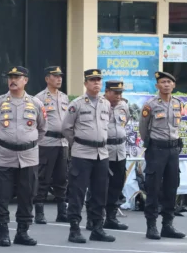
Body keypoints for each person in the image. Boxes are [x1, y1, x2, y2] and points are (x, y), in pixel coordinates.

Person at [0, 66, 47, 247]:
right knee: (1, 195)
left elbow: (42, 129)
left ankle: (22, 232)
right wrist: (4, 142)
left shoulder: (36, 104)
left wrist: (27, 142)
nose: (13, 80)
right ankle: (3, 232)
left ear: (25, 80)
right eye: (10, 77)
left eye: (17, 77)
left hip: (28, 157)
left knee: (27, 195)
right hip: (4, 156)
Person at [61, 69, 115, 244]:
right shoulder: (76, 104)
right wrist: (77, 144)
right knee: (77, 193)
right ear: (85, 83)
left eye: (99, 80)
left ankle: (97, 227)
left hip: (102, 154)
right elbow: (66, 128)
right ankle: (74, 229)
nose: (96, 83)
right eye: (92, 80)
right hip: (82, 153)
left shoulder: (106, 103)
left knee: (100, 193)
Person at [139, 71, 185, 240]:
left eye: (169, 82)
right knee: (153, 187)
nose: (166, 84)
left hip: (173, 150)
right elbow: (143, 129)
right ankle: (151, 226)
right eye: (163, 82)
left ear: (174, 85)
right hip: (156, 150)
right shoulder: (150, 105)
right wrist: (151, 145)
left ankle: (168, 225)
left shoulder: (178, 103)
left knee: (171, 187)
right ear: (157, 86)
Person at [86, 80, 130, 231]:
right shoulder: (99, 104)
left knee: (116, 185)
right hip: (103, 150)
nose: (118, 96)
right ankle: (92, 218)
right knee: (98, 186)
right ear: (107, 91)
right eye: (115, 92)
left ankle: (111, 217)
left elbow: (126, 123)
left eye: (120, 93)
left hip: (120, 150)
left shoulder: (124, 105)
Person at [34, 66, 69, 224]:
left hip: (63, 143)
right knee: (43, 178)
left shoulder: (64, 97)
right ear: (47, 79)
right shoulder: (39, 98)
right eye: (55, 76)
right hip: (46, 143)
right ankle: (39, 212)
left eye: (60, 76)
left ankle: (62, 211)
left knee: (62, 178)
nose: (59, 79)